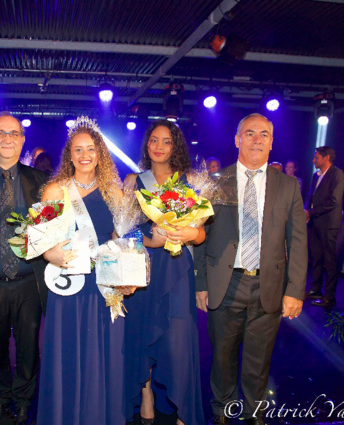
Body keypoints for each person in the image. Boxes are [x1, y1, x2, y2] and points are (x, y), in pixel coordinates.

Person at [194, 113, 306, 425]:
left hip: (269, 284)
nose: (257, 140)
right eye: (250, 133)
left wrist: (295, 289)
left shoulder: (288, 186)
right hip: (225, 282)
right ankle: (222, 409)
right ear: (237, 139)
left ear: (272, 142)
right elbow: (200, 237)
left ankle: (254, 411)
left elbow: (297, 241)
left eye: (264, 134)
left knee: (259, 357)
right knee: (222, 356)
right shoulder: (216, 184)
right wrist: (200, 283)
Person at [37, 117, 128, 425]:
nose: (85, 155)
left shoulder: (115, 194)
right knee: (68, 356)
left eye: (91, 149)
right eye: (78, 149)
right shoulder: (54, 191)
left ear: (100, 153)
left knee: (103, 357)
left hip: (103, 287)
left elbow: (122, 240)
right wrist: (53, 254)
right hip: (67, 288)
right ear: (70, 154)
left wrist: (127, 273)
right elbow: (36, 241)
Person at [124, 120, 206, 425]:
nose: (159, 146)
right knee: (142, 335)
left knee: (179, 341)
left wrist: (187, 234)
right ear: (147, 145)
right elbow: (125, 231)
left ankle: (184, 407)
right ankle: (146, 397)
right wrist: (150, 238)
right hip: (144, 270)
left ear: (176, 147)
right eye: (154, 140)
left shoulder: (190, 181)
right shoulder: (133, 182)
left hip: (178, 271)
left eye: (166, 141)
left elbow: (201, 235)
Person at [0, 112, 49, 425]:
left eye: (14, 133)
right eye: (0, 133)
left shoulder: (42, 181)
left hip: (30, 280)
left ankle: (24, 402)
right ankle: (1, 401)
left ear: (22, 139)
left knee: (30, 347)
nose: (7, 139)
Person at [304, 146, 344, 308]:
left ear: (326, 157)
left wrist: (311, 212)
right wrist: (306, 211)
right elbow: (311, 196)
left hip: (328, 224)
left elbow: (333, 201)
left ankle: (329, 297)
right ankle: (315, 289)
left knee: (329, 260)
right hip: (315, 222)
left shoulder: (337, 174)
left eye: (316, 157)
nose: (314, 160)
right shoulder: (316, 176)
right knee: (316, 258)